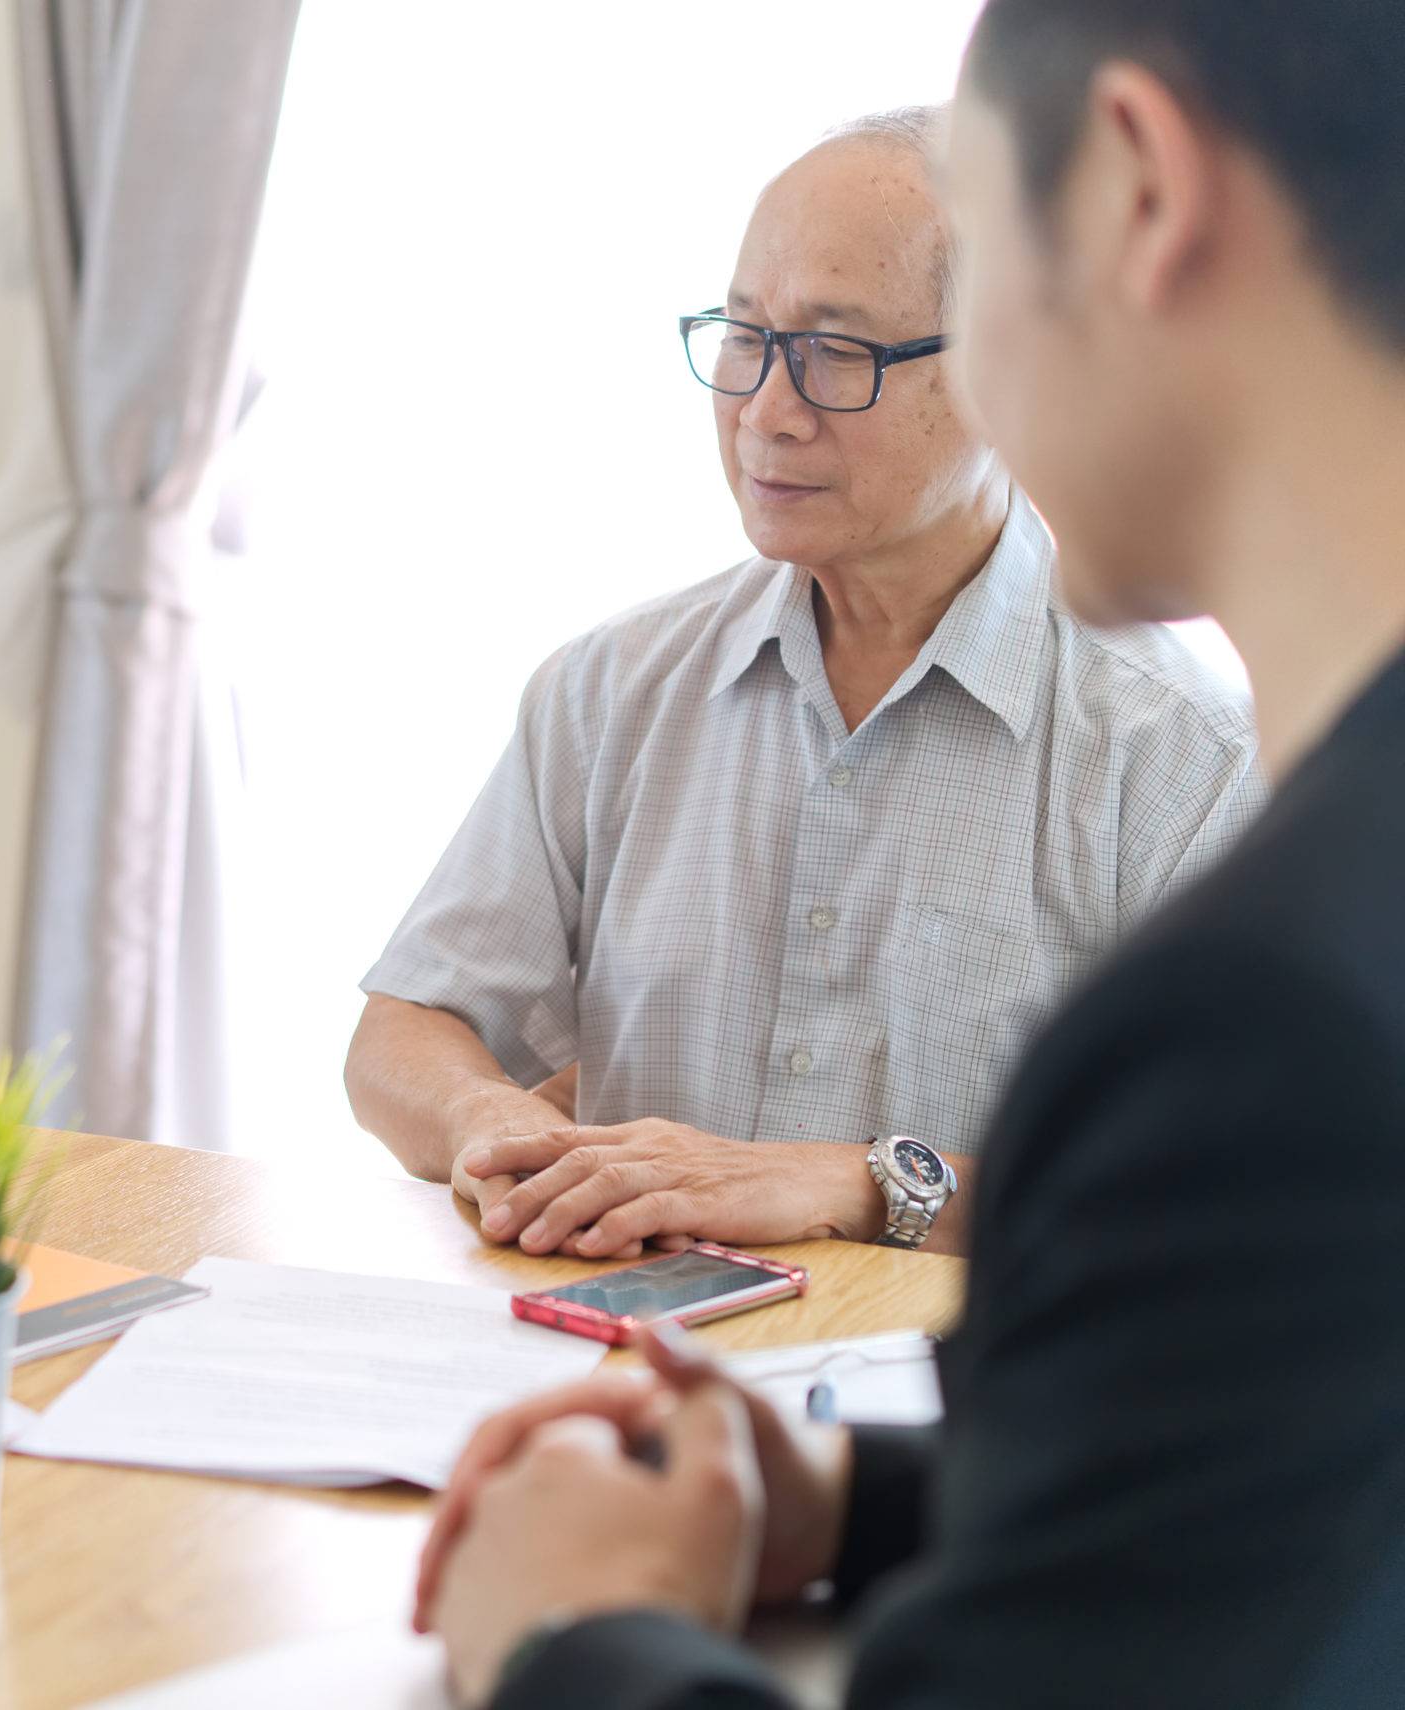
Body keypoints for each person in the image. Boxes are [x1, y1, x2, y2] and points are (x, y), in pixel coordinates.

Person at [418, 2, 1405, 1702]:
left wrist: (576, 1637)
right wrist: (856, 1501)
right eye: (746, 333)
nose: (773, 406)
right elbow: (1272, 1476)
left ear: (1138, 201)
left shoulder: (1260, 1014)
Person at [345, 108, 1261, 1267]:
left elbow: (1222, 1186)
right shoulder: (609, 689)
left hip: (951, 1416)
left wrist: (857, 1183)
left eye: (834, 354)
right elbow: (402, 1033)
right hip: (614, 1379)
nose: (765, 411)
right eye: (742, 336)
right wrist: (498, 1123)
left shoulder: (1181, 754)